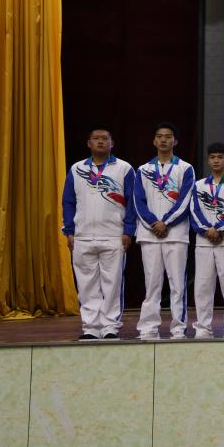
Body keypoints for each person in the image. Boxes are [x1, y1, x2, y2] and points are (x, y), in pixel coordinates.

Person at [61, 126, 137, 340]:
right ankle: (91, 327)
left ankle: (110, 326)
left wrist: (128, 230)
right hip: (83, 235)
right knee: (86, 284)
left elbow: (131, 202)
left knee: (112, 283)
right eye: (96, 138)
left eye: (105, 138)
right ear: (89, 143)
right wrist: (69, 230)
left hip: (114, 235)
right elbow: (68, 201)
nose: (100, 141)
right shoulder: (77, 169)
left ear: (112, 143)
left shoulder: (124, 168)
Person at [133, 122, 195, 339]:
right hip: (149, 235)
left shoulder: (185, 168)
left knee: (177, 284)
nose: (163, 140)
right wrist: (154, 223)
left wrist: (166, 222)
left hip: (176, 234)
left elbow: (186, 200)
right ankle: (148, 327)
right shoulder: (143, 170)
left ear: (175, 141)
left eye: (168, 136)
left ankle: (178, 328)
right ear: (154, 141)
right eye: (159, 136)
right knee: (152, 283)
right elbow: (138, 201)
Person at [189, 142, 224, 338]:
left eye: (220, 157)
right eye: (212, 157)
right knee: (203, 285)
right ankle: (203, 327)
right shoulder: (199, 185)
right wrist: (207, 230)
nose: (216, 160)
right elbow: (194, 211)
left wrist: (219, 229)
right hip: (204, 243)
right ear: (208, 160)